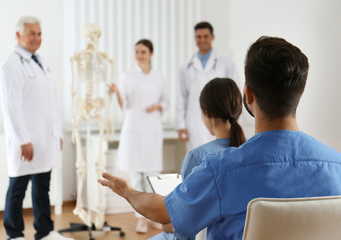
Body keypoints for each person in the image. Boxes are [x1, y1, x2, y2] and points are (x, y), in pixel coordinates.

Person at [98, 36, 341, 239]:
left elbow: (165, 214)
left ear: (248, 95)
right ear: (300, 92)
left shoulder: (223, 169)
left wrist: (128, 191)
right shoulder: (337, 166)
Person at [0, 16, 73, 240]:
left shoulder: (40, 61)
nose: (36, 38)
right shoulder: (12, 64)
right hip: (26, 140)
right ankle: (14, 234)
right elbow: (12, 106)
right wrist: (22, 139)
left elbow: (51, 103)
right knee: (17, 188)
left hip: (44, 139)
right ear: (18, 35)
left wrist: (56, 133)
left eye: (39, 33)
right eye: (31, 33)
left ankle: (45, 231)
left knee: (42, 188)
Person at [149, 77, 246, 240]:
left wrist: (170, 220)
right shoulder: (251, 150)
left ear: (207, 113)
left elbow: (186, 227)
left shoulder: (198, 157)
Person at [109, 39, 169, 233]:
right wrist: (117, 93)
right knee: (136, 176)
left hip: (151, 129)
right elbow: (123, 104)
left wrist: (158, 106)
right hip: (133, 128)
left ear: (151, 53)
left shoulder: (159, 77)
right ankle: (140, 218)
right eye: (136, 52)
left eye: (143, 52)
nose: (139, 55)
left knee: (152, 176)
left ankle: (153, 215)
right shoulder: (127, 76)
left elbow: (166, 101)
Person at [176, 21, 241, 151]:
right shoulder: (186, 66)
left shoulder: (226, 63)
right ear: (195, 38)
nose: (202, 40)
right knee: (196, 159)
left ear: (212, 37)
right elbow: (181, 96)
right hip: (194, 122)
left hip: (221, 121)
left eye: (206, 36)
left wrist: (235, 119)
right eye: (199, 37)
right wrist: (181, 124)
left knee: (220, 157)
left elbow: (236, 92)